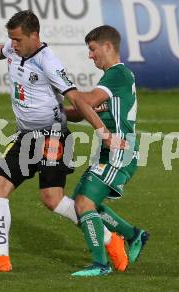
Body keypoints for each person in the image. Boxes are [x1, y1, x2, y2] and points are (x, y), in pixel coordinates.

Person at [0, 11, 128, 272]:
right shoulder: (14, 48)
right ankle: (1, 258)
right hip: (25, 137)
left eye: (17, 40)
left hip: (53, 137)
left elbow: (76, 99)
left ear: (34, 36)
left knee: (52, 199)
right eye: (11, 40)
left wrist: (103, 133)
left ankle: (109, 239)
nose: (12, 45)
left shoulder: (48, 62)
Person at [64, 25, 149, 277]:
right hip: (108, 150)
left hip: (119, 149)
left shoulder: (117, 75)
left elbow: (85, 102)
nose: (90, 55)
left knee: (84, 203)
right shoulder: (112, 80)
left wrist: (65, 91)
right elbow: (83, 111)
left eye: (92, 49)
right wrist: (56, 113)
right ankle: (133, 234)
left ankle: (100, 264)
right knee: (83, 202)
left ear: (108, 47)